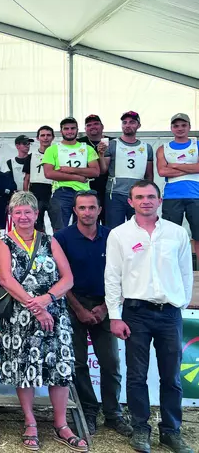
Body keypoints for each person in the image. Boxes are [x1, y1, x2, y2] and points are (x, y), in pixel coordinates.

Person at [0, 191, 87, 452]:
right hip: (21, 317)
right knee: (25, 369)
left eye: (28, 211)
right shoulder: (4, 243)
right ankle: (30, 422)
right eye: (18, 212)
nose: (23, 216)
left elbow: (68, 279)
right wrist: (35, 307)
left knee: (60, 368)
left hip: (54, 314)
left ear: (37, 214)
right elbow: (6, 280)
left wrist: (46, 300)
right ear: (11, 216)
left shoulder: (50, 241)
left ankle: (61, 424)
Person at [105, 181, 194, 453]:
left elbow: (186, 274)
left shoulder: (177, 233)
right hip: (136, 313)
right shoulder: (119, 234)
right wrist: (114, 316)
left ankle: (171, 431)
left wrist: (180, 303)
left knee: (171, 377)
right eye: (140, 197)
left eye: (151, 196)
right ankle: (141, 429)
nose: (146, 201)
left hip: (169, 313)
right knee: (136, 376)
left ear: (160, 200)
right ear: (130, 202)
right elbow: (112, 277)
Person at [54, 191, 132, 437]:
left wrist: (106, 307)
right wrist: (79, 309)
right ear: (74, 211)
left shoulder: (113, 237)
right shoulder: (61, 238)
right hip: (72, 305)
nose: (87, 212)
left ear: (100, 210)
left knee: (111, 363)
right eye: (82, 208)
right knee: (77, 363)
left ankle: (113, 413)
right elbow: (58, 278)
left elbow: (123, 276)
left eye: (91, 207)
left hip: (105, 306)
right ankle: (87, 411)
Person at [43, 117, 99, 230]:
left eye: (72, 128)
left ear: (77, 130)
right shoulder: (52, 149)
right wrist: (77, 177)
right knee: (59, 229)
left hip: (84, 193)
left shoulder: (87, 148)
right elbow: (48, 173)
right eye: (66, 128)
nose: (70, 131)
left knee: (84, 228)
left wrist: (71, 169)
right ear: (61, 131)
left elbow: (95, 171)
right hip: (62, 191)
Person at [100, 111, 154, 228]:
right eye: (124, 122)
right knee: (113, 229)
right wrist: (101, 154)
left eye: (132, 122)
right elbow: (103, 170)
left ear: (138, 125)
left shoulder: (146, 147)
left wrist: (149, 194)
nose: (127, 125)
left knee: (138, 228)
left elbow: (149, 175)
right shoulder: (112, 144)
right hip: (115, 194)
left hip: (137, 194)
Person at [156, 112, 199, 254]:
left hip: (196, 195)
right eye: (176, 126)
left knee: (198, 237)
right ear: (171, 128)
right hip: (172, 196)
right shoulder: (163, 148)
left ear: (189, 127)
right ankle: (170, 271)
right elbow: (162, 171)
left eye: (183, 125)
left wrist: (174, 165)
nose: (180, 128)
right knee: (170, 237)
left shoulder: (196, 144)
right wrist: (190, 168)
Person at [23, 126, 55, 232]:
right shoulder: (31, 156)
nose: (45, 138)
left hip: (53, 193)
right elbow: (26, 179)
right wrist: (26, 197)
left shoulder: (58, 155)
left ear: (53, 138)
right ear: (38, 138)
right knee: (37, 225)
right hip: (36, 193)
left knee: (57, 225)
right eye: (42, 135)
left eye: (48, 135)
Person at [79, 114, 109, 224]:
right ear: (85, 129)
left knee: (107, 222)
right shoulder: (79, 143)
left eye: (96, 124)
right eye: (89, 125)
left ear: (102, 126)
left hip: (107, 189)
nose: (93, 127)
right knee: (86, 221)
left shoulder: (112, 141)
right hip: (85, 188)